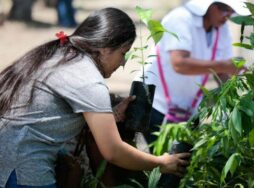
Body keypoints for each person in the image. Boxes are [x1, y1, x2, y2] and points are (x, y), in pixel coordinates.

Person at [0, 7, 189, 187]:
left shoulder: (63, 54)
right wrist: (161, 162)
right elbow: (113, 151)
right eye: (123, 53)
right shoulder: (88, 79)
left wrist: (111, 114)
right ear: (105, 47)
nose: (123, 62)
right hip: (21, 165)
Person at [135, 0, 250, 146]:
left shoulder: (222, 29)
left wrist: (236, 101)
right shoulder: (180, 19)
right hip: (154, 101)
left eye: (231, 10)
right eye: (223, 8)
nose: (228, 15)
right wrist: (225, 66)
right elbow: (179, 63)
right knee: (161, 162)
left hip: (189, 106)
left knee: (184, 161)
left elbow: (222, 72)